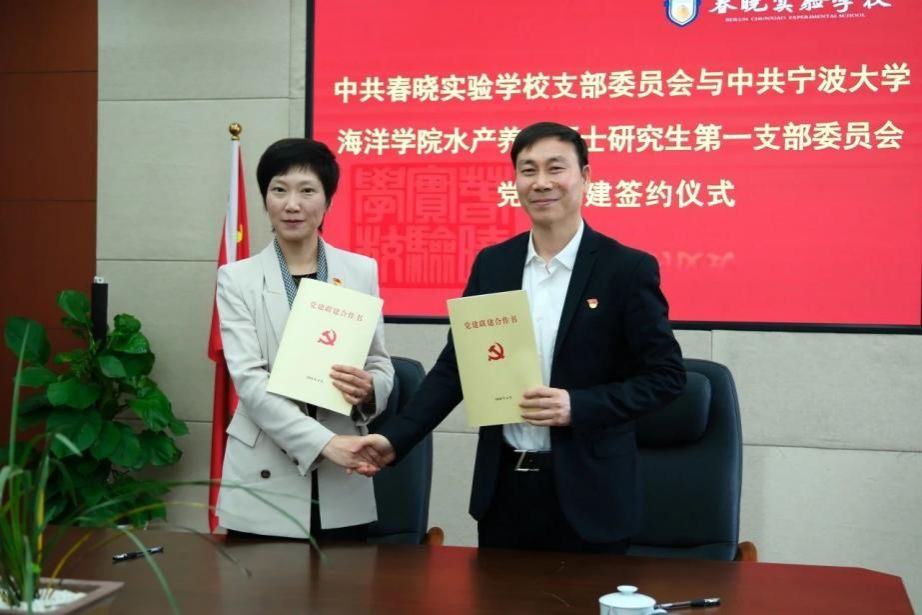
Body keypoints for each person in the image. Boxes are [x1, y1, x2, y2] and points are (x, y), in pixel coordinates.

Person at [357, 122, 685, 553]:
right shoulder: (494, 265)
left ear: (586, 177)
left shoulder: (625, 269)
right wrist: (393, 439)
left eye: (556, 168)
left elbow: (665, 377)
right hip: (505, 493)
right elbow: (457, 368)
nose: (541, 182)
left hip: (592, 497)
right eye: (528, 170)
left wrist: (577, 405)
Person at [215, 138, 393, 540]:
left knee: (345, 580)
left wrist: (369, 391)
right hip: (265, 473)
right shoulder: (237, 279)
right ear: (265, 199)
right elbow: (249, 382)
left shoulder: (360, 271)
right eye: (279, 190)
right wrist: (325, 443)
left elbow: (379, 363)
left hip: (344, 471)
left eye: (307, 190)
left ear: (327, 201)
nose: (292, 204)